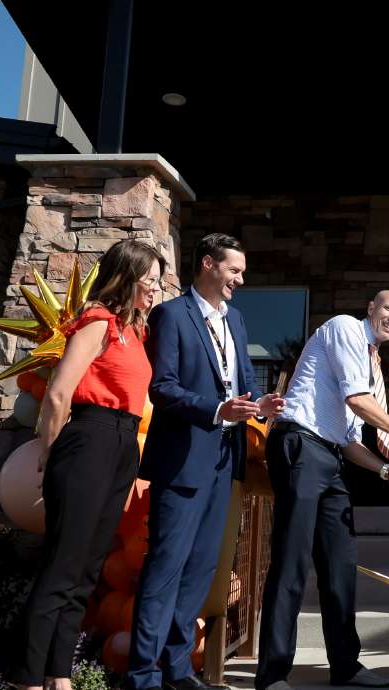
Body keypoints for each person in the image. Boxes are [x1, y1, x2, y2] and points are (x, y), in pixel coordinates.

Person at [129, 233, 284, 690]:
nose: (240, 279)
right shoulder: (170, 314)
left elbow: (244, 378)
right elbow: (163, 387)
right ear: (207, 265)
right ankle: (141, 677)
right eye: (234, 270)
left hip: (225, 463)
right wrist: (217, 410)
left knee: (199, 570)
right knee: (166, 567)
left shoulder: (235, 319)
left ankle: (178, 670)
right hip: (182, 461)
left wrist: (260, 403)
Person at [9, 240, 166, 690]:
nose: (154, 289)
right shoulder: (97, 321)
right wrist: (48, 452)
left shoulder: (133, 332)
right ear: (125, 277)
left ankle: (60, 676)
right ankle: (27, 679)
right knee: (63, 567)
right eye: (148, 280)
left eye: (157, 281)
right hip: (89, 439)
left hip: (121, 444)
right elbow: (58, 394)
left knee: (86, 571)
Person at [255, 290, 389, 690]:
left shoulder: (369, 364)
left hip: (330, 455)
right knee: (292, 562)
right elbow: (356, 400)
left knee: (340, 566)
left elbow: (349, 441)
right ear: (371, 309)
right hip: (300, 444)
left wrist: (387, 472)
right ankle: (273, 674)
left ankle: (345, 666)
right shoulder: (346, 329)